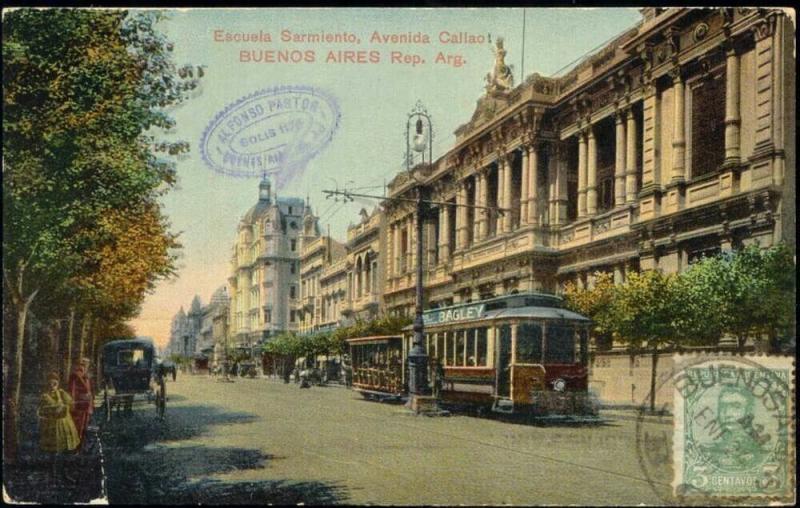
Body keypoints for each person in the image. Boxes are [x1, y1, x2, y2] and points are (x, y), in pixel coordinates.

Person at [38, 372, 80, 482]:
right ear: (47, 384)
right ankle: (52, 475)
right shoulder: (44, 396)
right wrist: (51, 410)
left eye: (55, 383)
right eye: (50, 383)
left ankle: (65, 473)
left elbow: (71, 403)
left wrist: (65, 406)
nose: (52, 386)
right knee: (53, 452)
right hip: (51, 426)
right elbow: (40, 411)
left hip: (65, 424)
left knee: (66, 450)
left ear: (58, 383)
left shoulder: (61, 393)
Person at [67, 359, 93, 449]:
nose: (84, 366)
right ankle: (76, 445)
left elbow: (89, 391)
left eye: (86, 365)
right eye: (82, 364)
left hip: (86, 405)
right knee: (78, 426)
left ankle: (81, 445)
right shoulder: (74, 376)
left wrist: (90, 407)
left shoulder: (86, 376)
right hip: (79, 405)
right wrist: (72, 404)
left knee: (84, 426)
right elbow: (72, 391)